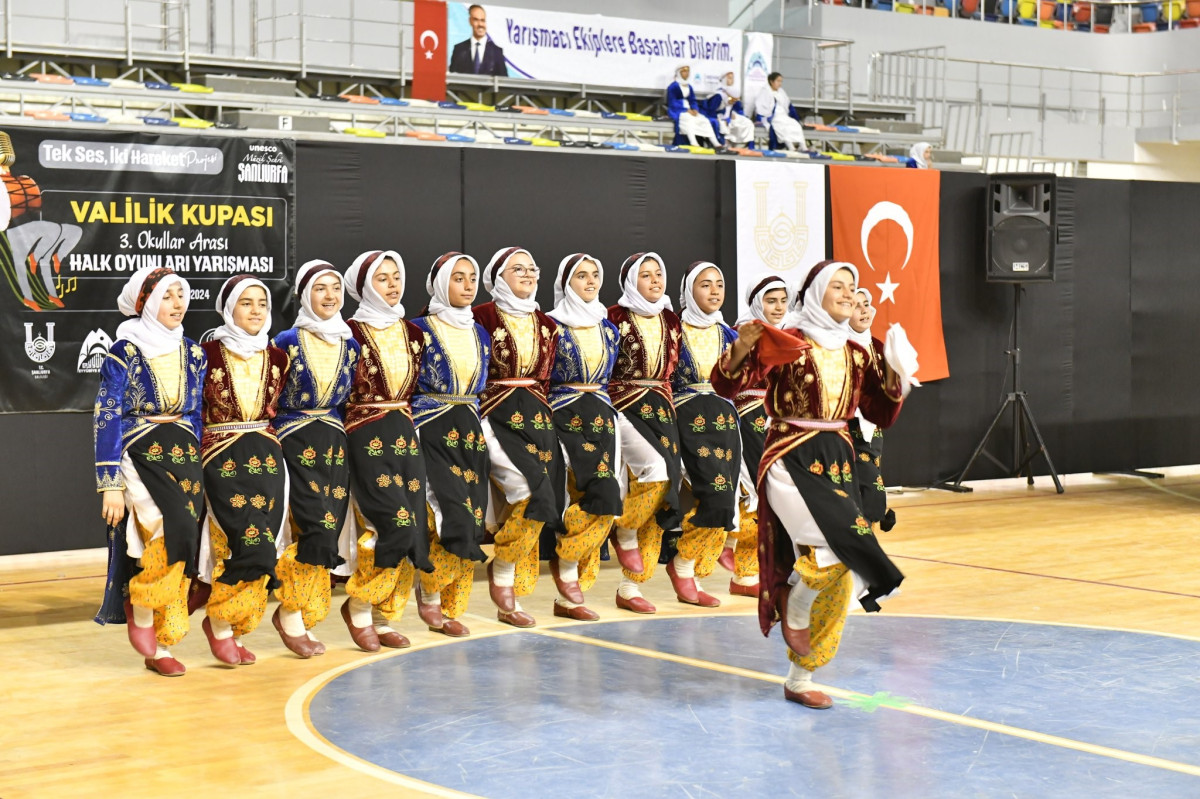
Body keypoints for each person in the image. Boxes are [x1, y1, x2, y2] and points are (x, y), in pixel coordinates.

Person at [712, 260, 908, 710]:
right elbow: (727, 386)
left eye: (852, 287)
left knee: (844, 571)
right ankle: (795, 608)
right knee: (831, 546)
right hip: (791, 455)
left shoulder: (858, 352)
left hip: (839, 461)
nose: (848, 293)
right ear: (817, 292)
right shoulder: (789, 341)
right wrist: (740, 350)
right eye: (837, 286)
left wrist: (895, 373)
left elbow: (880, 412)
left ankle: (801, 678)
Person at [94, 266, 206, 677]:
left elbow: (196, 413)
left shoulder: (194, 352)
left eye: (181, 295)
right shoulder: (124, 352)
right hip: (139, 451)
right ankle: (141, 608)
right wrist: (110, 483)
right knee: (162, 528)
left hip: (184, 455)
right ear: (147, 303)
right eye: (167, 296)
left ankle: (162, 644)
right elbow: (106, 414)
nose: (178, 304)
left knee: (186, 538)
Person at [341, 250, 434, 650]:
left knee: (415, 529)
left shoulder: (413, 333)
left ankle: (383, 618)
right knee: (390, 524)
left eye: (396, 276)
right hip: (365, 434)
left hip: (405, 435)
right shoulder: (348, 333)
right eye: (382, 278)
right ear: (364, 286)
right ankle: (359, 608)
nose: (393, 284)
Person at [197, 275, 290, 665]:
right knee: (243, 542)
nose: (256, 311)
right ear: (228, 308)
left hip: (267, 459)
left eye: (262, 303)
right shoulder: (204, 354)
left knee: (266, 548)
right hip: (221, 456)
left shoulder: (279, 357)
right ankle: (219, 624)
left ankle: (235, 628)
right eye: (246, 303)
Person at [271, 260, 361, 655]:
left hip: (334, 444)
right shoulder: (285, 341)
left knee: (331, 528)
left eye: (335, 288)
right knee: (312, 528)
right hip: (294, 439)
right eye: (320, 288)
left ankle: (305, 615)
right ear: (306, 295)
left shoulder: (350, 343)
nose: (330, 296)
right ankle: (289, 614)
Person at [474, 247, 566, 628]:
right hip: (494, 414)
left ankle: (509, 579)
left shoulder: (547, 324)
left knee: (547, 499)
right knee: (529, 493)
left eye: (532, 268)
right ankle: (502, 572)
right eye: (518, 269)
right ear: (498, 277)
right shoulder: (480, 317)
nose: (528, 274)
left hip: (537, 418)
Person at [411, 252, 492, 637]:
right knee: (448, 513)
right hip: (432, 425)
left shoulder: (480, 332)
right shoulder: (418, 331)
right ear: (441, 284)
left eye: (472, 277)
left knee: (473, 518)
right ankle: (429, 594)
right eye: (458, 278)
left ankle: (452, 606)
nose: (468, 285)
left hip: (470, 429)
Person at [545, 253, 625, 621]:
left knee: (606, 499)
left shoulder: (608, 328)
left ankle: (571, 594)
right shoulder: (551, 327)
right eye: (581, 276)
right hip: (565, 413)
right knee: (587, 493)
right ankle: (565, 569)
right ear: (566, 283)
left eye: (595, 275)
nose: (590, 282)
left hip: (603, 415)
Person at [607, 252, 684, 614]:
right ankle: (623, 530)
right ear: (630, 281)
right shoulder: (613, 317)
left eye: (658, 274)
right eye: (646, 275)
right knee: (655, 474)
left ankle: (630, 588)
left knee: (665, 495)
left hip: (663, 411)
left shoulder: (671, 320)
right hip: (623, 406)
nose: (655, 281)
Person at [667, 261, 741, 608]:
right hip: (687, 419)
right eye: (705, 284)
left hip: (725, 424)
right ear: (688, 291)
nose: (714, 291)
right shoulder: (672, 331)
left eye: (719, 284)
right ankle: (679, 568)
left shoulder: (730, 336)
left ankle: (690, 573)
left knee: (724, 502)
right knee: (711, 496)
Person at [722, 275, 791, 598]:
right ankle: (744, 572)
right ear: (756, 303)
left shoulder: (793, 335)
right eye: (770, 301)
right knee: (755, 493)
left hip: (782, 422)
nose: (778, 307)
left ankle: (768, 568)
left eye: (783, 301)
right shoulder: (741, 334)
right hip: (749, 418)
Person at [847, 288, 896, 532]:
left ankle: (866, 541)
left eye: (866, 304)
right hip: (847, 428)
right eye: (856, 306)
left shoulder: (877, 346)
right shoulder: (839, 346)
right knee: (867, 486)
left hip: (872, 430)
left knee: (868, 485)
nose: (864, 310)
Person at [667, 65, 720, 148]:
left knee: (704, 120)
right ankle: (693, 142)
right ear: (679, 73)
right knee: (689, 119)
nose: (686, 73)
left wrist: (695, 109)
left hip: (690, 110)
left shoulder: (689, 86)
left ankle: (715, 143)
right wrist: (685, 110)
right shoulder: (673, 87)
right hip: (677, 110)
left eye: (688, 71)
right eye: (684, 72)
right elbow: (672, 102)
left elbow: (692, 100)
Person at [449, 4, 508, 76]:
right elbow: (452, 79)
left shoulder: (496, 52)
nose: (480, 24)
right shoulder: (459, 50)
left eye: (483, 20)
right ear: (470, 21)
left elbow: (503, 80)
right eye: (476, 20)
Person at [757, 72, 807, 152]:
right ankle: (790, 147)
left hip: (783, 115)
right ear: (771, 81)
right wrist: (763, 118)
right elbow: (761, 107)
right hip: (773, 116)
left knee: (795, 124)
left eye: (781, 81)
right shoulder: (765, 91)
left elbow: (787, 105)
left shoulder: (781, 92)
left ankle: (803, 146)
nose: (780, 83)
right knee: (783, 126)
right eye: (778, 81)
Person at [705, 71, 755, 149]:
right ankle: (724, 144)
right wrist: (722, 117)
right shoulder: (719, 95)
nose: (731, 80)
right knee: (722, 124)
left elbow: (738, 108)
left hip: (731, 116)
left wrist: (736, 114)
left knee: (748, 122)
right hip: (720, 117)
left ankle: (747, 146)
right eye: (729, 78)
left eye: (732, 78)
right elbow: (711, 110)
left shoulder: (734, 91)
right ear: (724, 79)